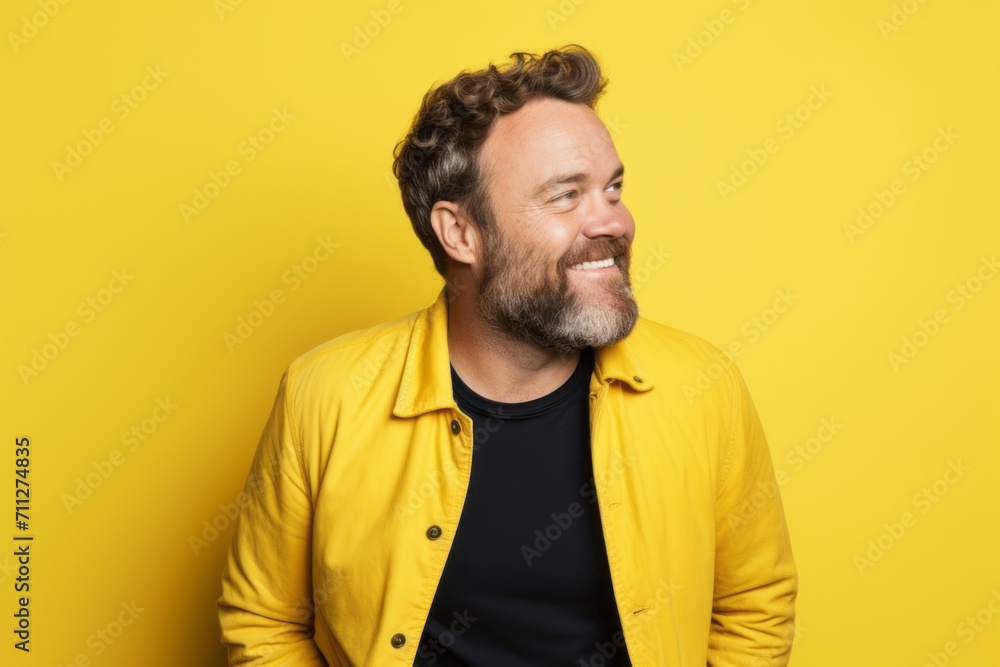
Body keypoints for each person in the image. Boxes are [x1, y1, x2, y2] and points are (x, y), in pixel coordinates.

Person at [217, 44, 797, 666]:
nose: (615, 222)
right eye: (566, 195)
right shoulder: (323, 394)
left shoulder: (702, 386)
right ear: (460, 233)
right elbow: (264, 620)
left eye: (612, 188)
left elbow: (753, 604)